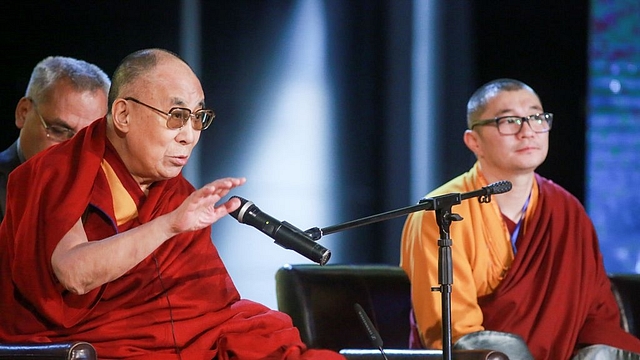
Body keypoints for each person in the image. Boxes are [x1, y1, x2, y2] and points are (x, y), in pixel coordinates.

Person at [0, 48, 344, 360]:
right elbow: (73, 273)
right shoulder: (58, 170)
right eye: (177, 115)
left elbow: (205, 312)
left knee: (261, 332)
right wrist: (168, 226)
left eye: (198, 118)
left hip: (172, 344)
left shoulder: (175, 194)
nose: (189, 134)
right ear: (123, 114)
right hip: (94, 343)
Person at [400, 78, 640, 360]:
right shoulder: (441, 213)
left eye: (537, 117)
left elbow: (597, 315)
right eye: (509, 121)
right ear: (474, 141)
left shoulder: (566, 210)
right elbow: (454, 333)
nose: (528, 132)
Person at [0, 56, 110, 223]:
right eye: (59, 131)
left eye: (88, 138)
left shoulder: (102, 197)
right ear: (23, 112)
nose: (74, 149)